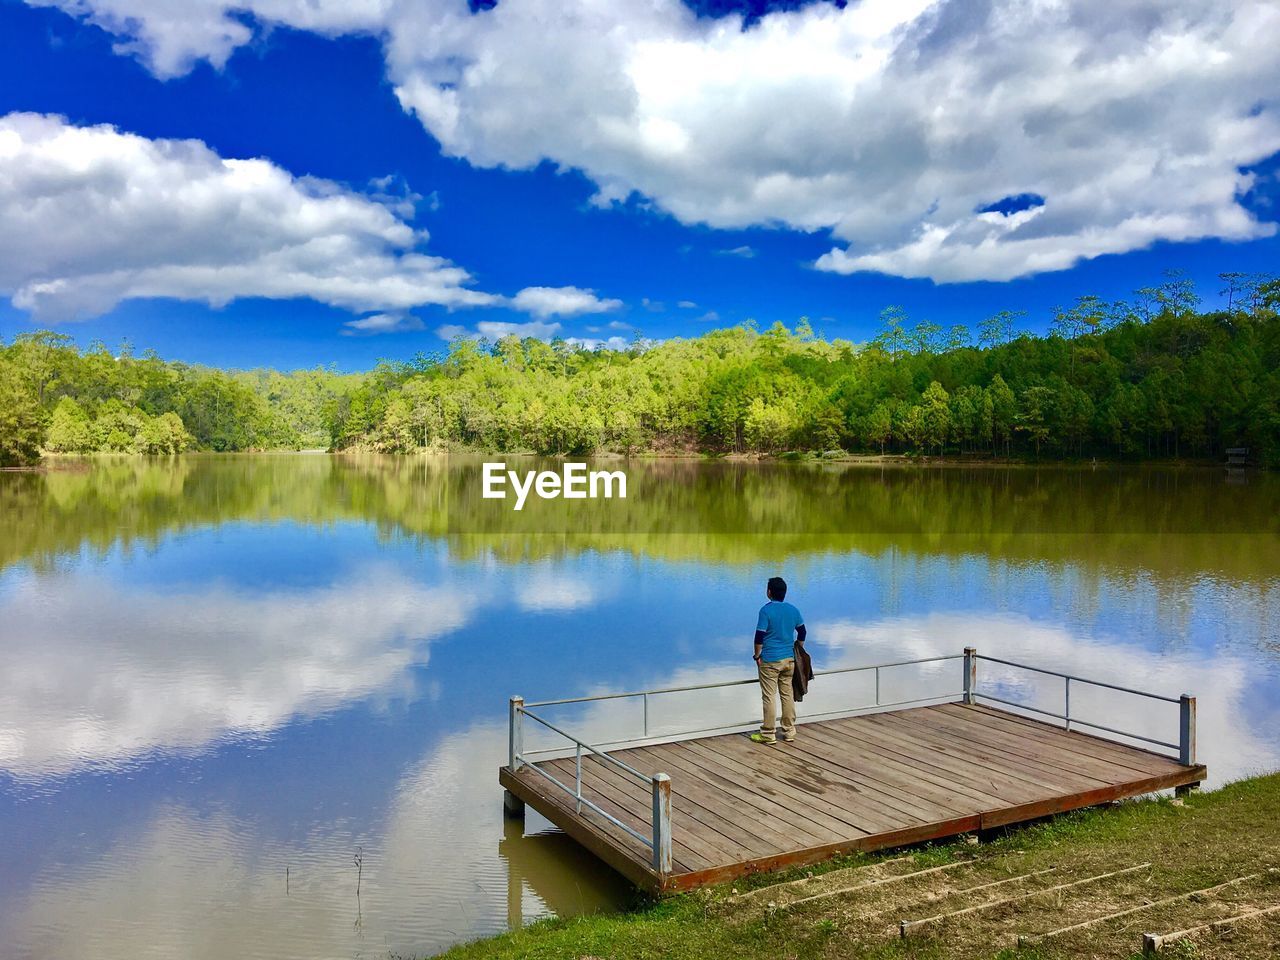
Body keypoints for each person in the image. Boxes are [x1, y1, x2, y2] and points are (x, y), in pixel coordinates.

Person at [749, 576, 806, 745]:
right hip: (789, 660)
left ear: (769, 592)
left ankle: (768, 733)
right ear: (784, 593)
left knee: (769, 696)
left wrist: (757, 655)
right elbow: (802, 632)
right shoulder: (793, 610)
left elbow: (759, 636)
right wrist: (798, 647)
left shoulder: (765, 611)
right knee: (787, 695)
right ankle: (789, 731)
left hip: (770, 661)